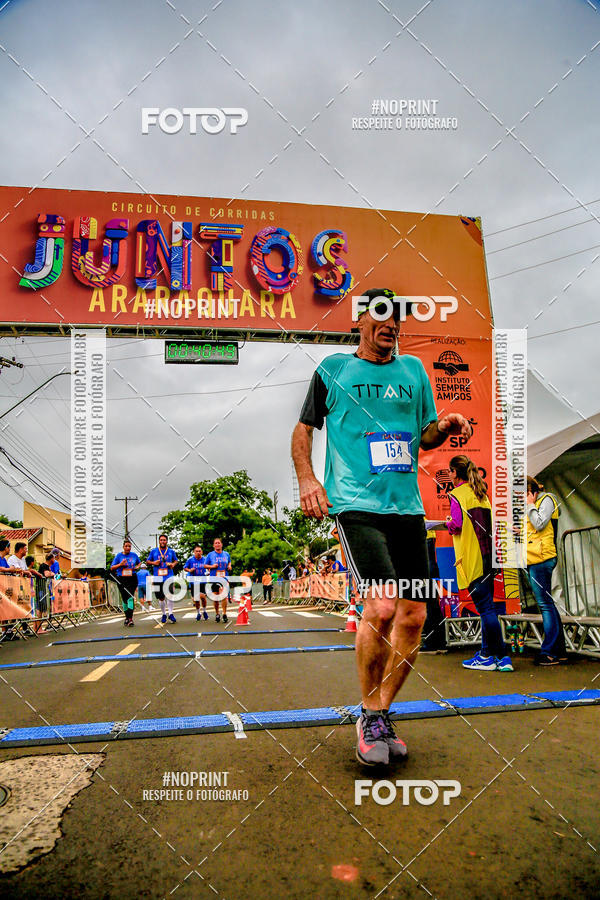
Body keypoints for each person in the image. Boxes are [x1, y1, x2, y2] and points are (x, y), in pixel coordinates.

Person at [292, 287, 473, 766]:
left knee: (414, 616)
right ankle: (370, 712)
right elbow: (304, 428)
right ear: (361, 322)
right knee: (383, 603)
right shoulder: (333, 370)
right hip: (356, 505)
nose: (390, 325)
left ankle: (379, 712)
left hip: (406, 510)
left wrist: (447, 424)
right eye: (380, 316)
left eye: (396, 318)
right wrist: (308, 478)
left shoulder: (414, 371)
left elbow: (427, 433)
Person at [446, 455, 512, 671]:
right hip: (489, 557)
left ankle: (500, 656)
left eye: (450, 471)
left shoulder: (456, 495)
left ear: (455, 473)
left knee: (485, 609)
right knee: (489, 608)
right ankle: (490, 655)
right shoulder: (482, 494)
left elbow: (456, 525)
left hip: (472, 558)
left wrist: (447, 524)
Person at [523, 476, 567, 665]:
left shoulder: (547, 499)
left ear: (530, 491)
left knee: (545, 605)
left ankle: (549, 652)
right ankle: (559, 650)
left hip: (542, 558)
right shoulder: (537, 502)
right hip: (535, 558)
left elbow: (540, 523)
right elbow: (536, 527)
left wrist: (530, 505)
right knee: (547, 603)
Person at [147, 534, 179, 623]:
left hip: (168, 576)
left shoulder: (171, 551)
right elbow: (147, 561)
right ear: (159, 541)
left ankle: (171, 614)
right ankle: (164, 614)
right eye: (161, 540)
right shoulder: (154, 551)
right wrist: (154, 563)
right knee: (161, 598)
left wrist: (173, 564)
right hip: (158, 577)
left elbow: (176, 560)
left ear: (167, 541)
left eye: (164, 540)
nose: (162, 541)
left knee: (170, 596)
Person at [110, 539, 141, 627]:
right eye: (126, 546)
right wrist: (120, 564)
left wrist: (136, 567)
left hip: (132, 578)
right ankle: (127, 617)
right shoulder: (118, 556)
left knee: (130, 597)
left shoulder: (134, 555)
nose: (128, 548)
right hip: (122, 579)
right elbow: (112, 568)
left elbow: (139, 563)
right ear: (123, 547)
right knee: (124, 599)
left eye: (129, 546)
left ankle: (130, 618)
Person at [204, 538, 232, 623]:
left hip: (224, 578)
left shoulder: (226, 554)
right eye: (215, 543)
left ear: (221, 544)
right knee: (215, 597)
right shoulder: (210, 555)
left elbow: (229, 562)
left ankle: (224, 614)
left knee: (223, 595)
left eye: (219, 543)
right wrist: (212, 567)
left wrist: (230, 566)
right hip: (214, 578)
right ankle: (217, 613)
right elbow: (205, 565)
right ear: (213, 545)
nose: (217, 544)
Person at [184, 544, 209, 621]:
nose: (198, 552)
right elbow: (185, 568)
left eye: (199, 551)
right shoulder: (190, 560)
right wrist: (189, 570)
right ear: (194, 552)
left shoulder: (205, 559)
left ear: (201, 552)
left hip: (202, 581)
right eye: (196, 551)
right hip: (194, 581)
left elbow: (209, 567)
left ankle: (204, 611)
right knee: (196, 599)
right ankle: (198, 613)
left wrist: (208, 572)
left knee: (203, 597)